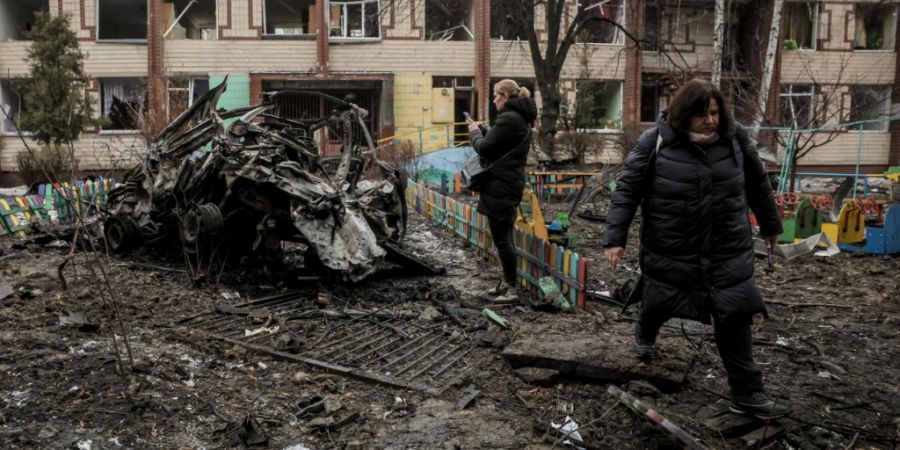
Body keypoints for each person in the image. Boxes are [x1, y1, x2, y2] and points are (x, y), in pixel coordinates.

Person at [602, 79, 790, 420]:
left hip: (727, 249)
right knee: (661, 300)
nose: (711, 121)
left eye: (716, 113)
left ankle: (747, 393)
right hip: (673, 247)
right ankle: (645, 329)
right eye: (702, 114)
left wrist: (771, 226)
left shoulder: (736, 140)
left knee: (734, 314)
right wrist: (615, 237)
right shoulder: (655, 142)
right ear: (684, 114)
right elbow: (627, 189)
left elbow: (758, 184)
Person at [466, 79, 537, 302]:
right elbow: (502, 141)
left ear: (505, 97)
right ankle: (506, 282)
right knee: (504, 237)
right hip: (507, 183)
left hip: (502, 185)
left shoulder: (509, 118)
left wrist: (474, 134)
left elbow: (485, 147)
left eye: (496, 95)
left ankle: (510, 289)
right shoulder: (518, 118)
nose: (494, 99)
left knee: (503, 239)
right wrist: (484, 129)